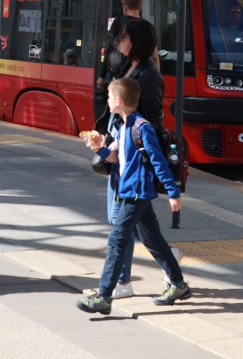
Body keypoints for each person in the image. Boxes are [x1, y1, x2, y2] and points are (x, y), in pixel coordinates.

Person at [77, 77, 190, 314]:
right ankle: (179, 285)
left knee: (116, 241)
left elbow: (159, 161)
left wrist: (173, 192)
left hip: (136, 193)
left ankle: (104, 296)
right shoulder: (122, 125)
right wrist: (100, 149)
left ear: (118, 100)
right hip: (129, 191)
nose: (106, 100)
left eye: (108, 97)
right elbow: (118, 158)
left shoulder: (142, 127)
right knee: (153, 241)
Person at [97, 18, 179, 299]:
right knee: (138, 228)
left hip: (134, 165)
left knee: (120, 228)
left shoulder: (149, 74)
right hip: (122, 159)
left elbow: (152, 121)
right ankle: (172, 273)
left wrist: (172, 191)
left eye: (124, 38)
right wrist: (104, 142)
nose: (119, 42)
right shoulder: (126, 66)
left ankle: (114, 288)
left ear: (137, 41)